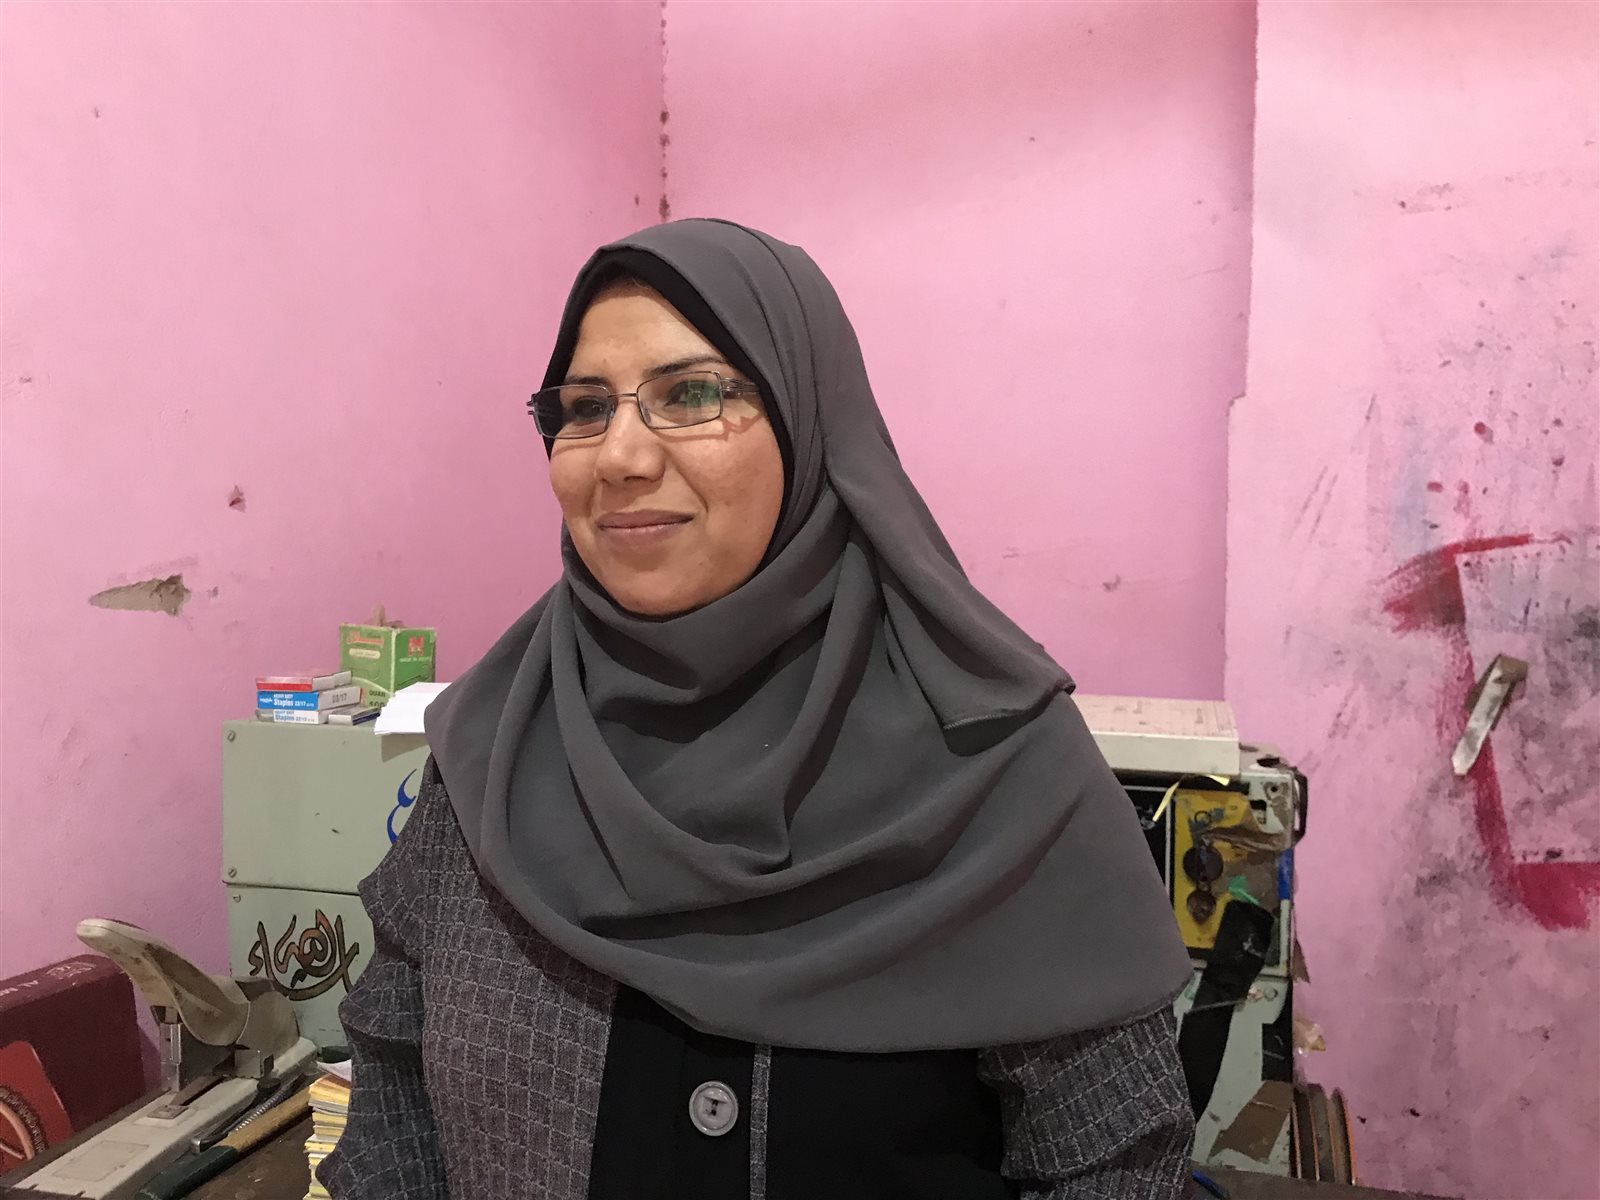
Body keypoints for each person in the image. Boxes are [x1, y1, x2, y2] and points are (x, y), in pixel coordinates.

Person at [320, 219, 1195, 1200]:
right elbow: (392, 1070)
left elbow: (1112, 1162)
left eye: (691, 394)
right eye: (584, 407)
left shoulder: (997, 758)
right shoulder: (497, 742)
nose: (619, 456)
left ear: (810, 420)